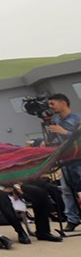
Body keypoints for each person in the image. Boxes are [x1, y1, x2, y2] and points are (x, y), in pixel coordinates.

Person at [46, 93, 81, 231]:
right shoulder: (55, 120)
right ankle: (72, 219)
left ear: (63, 103)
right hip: (65, 160)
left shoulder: (77, 119)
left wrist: (64, 132)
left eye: (52, 104)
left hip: (79, 158)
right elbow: (52, 139)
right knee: (67, 191)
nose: (50, 107)